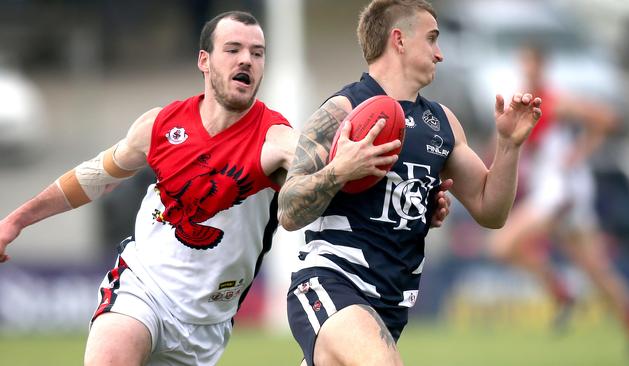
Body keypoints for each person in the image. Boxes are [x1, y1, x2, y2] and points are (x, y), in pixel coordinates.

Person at [0, 11, 295, 366]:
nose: (247, 59)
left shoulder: (278, 139)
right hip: (143, 287)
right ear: (204, 60)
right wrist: (16, 221)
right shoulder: (160, 125)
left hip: (207, 326)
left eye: (257, 52)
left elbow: (320, 182)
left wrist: (341, 167)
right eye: (233, 49)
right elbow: (94, 177)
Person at [276, 1, 542, 365]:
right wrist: (341, 169)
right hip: (331, 281)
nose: (441, 54)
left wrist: (509, 146)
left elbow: (491, 211)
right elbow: (288, 209)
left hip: (391, 303)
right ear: (398, 40)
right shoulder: (342, 110)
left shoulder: (442, 123)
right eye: (432, 39)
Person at [489, 44, 629, 351]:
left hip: (560, 193)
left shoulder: (555, 102)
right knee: (595, 268)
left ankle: (560, 292)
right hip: (561, 193)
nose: (527, 73)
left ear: (542, 68)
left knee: (501, 246)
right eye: (523, 67)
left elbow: (607, 118)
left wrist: (580, 152)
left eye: (532, 67)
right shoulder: (526, 104)